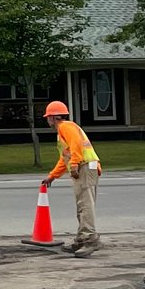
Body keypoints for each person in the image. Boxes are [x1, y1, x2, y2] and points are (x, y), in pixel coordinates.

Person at [44, 98, 101, 254]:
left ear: (54, 117)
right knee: (82, 204)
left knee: (85, 204)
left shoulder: (65, 127)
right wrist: (52, 176)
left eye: (48, 116)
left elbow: (76, 145)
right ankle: (82, 239)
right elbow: (64, 159)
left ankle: (90, 239)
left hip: (85, 167)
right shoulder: (64, 130)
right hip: (84, 167)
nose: (47, 119)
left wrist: (75, 164)